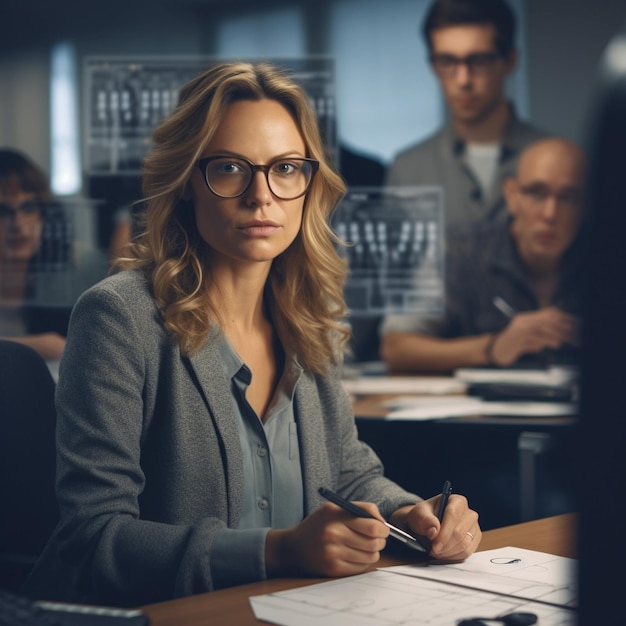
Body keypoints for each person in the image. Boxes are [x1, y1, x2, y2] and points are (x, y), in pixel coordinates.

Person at [23, 62, 480, 607]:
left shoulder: (309, 316)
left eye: (285, 168)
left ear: (308, 184)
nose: (261, 195)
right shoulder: (117, 318)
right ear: (189, 180)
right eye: (231, 168)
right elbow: (92, 539)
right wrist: (277, 551)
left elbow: (350, 475)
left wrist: (412, 516)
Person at [380, 137, 586, 372]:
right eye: (536, 193)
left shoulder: (609, 260)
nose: (550, 213)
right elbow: (396, 348)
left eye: (568, 197)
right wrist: (493, 347)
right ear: (511, 195)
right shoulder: (458, 251)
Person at [386, 0, 547, 230]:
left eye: (479, 60)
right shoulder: (407, 171)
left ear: (510, 61)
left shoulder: (558, 165)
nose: (463, 80)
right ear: (433, 67)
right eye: (447, 61)